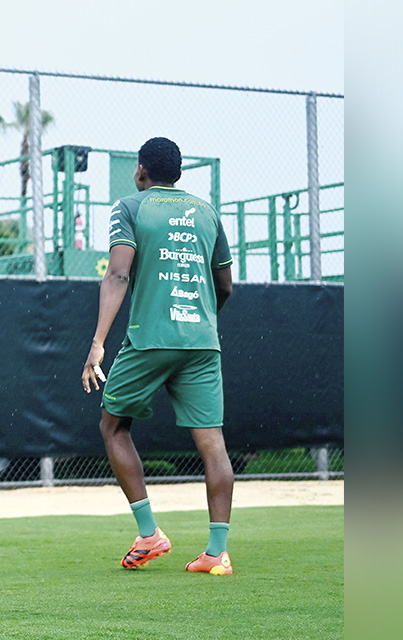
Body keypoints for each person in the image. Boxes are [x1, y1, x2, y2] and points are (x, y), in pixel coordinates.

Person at [80, 137, 236, 575]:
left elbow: (118, 272)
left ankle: (150, 534)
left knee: (113, 426)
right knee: (213, 445)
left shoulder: (129, 207)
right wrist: (202, 320)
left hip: (149, 338)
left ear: (140, 170)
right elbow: (224, 286)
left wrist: (97, 343)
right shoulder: (207, 213)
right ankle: (216, 553)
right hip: (203, 341)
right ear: (180, 175)